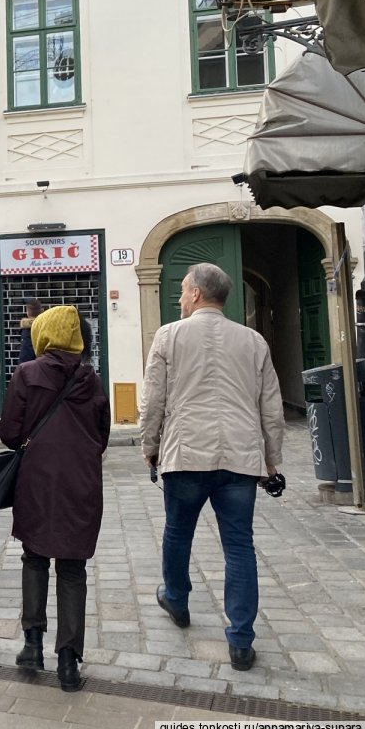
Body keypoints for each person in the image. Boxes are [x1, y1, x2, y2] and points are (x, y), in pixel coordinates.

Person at [142, 262, 284, 673]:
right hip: (240, 456)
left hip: (187, 453)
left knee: (177, 531)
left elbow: (154, 399)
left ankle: (177, 599)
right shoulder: (253, 341)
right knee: (239, 546)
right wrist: (271, 459)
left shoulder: (169, 335)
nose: (180, 297)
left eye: (184, 291)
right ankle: (240, 639)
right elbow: (271, 408)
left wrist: (150, 446)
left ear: (198, 294)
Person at [0, 305, 110, 692]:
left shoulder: (27, 374)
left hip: (37, 480)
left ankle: (32, 645)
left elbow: (11, 434)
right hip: (80, 481)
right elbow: (102, 435)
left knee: (34, 557)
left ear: (43, 334)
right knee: (72, 568)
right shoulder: (91, 379)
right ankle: (68, 661)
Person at [17, 297, 43, 364]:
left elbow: (25, 355)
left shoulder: (28, 330)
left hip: (33, 369)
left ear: (28, 312)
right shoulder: (47, 327)